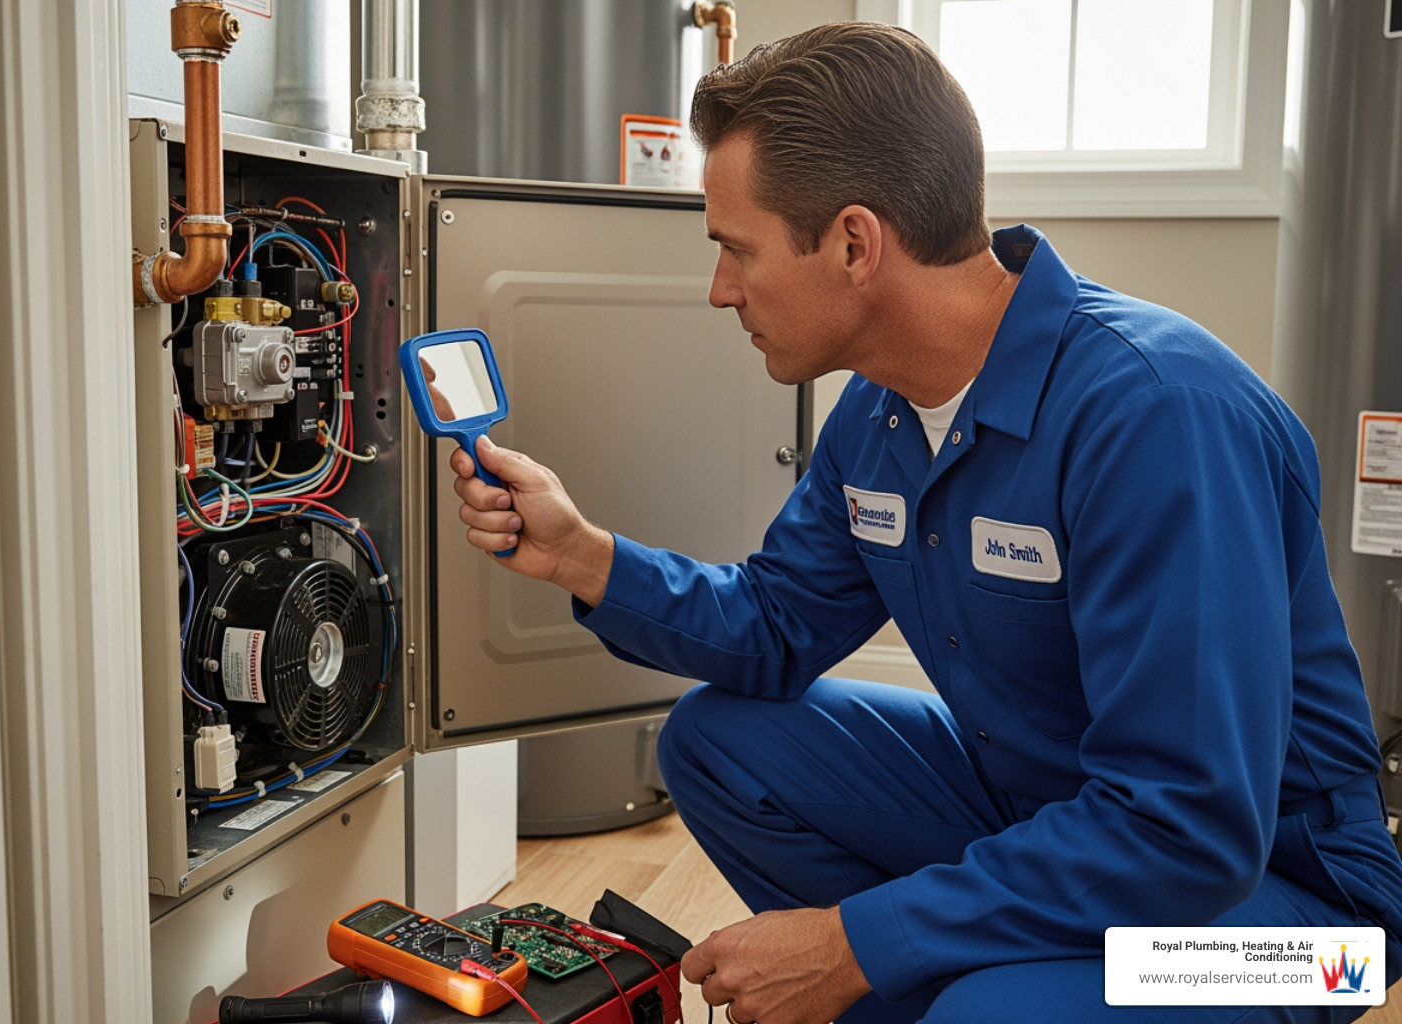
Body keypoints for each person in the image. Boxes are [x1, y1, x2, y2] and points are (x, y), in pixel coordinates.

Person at [445, 22, 1402, 1024]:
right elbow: (777, 626)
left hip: (1301, 930)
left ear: (855, 243)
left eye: (737, 249)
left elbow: (1189, 826)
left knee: (987, 1009)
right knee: (719, 743)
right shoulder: (881, 411)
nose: (719, 289)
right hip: (1049, 810)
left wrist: (858, 940)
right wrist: (586, 558)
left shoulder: (1155, 417)